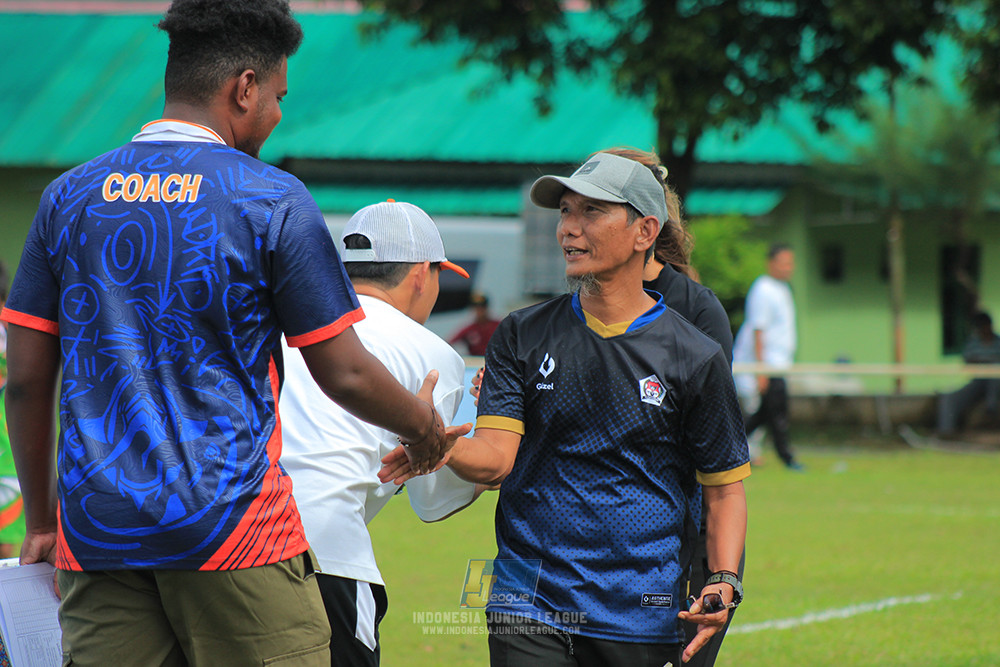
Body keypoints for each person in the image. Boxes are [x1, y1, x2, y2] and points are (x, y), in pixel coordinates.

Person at [1, 2, 455, 665]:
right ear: (243, 87)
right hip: (233, 533)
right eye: (277, 96)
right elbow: (345, 371)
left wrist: (43, 518)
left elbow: (29, 377)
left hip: (99, 535)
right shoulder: (270, 199)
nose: (277, 115)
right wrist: (424, 427)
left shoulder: (67, 197)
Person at [382, 151, 750, 666]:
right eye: (565, 213)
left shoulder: (694, 353)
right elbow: (496, 457)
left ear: (645, 231)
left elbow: (724, 491)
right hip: (528, 600)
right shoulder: (522, 335)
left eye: (591, 213)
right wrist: (441, 443)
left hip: (639, 609)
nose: (569, 231)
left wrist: (724, 579)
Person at [280, 200, 486, 667]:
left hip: (232, 539)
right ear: (421, 275)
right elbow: (435, 501)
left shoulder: (288, 324)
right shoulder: (432, 354)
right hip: (329, 557)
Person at [733, 243, 803, 471]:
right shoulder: (763, 289)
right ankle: (785, 457)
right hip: (764, 365)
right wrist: (760, 370)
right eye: (783, 262)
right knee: (773, 412)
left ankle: (734, 448)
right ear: (771, 264)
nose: (787, 267)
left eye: (790, 263)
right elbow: (758, 331)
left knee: (764, 414)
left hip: (779, 365)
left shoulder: (783, 289)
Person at [937, 311, 1000, 436]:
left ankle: (990, 410)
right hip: (978, 381)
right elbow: (968, 360)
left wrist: (986, 362)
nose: (983, 330)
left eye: (984, 326)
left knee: (994, 379)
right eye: (980, 327)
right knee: (949, 398)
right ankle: (946, 432)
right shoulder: (973, 343)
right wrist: (988, 361)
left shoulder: (998, 342)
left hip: (996, 381)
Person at [448, 292, 500, 356]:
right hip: (476, 362)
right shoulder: (469, 328)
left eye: (482, 308)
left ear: (486, 308)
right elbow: (449, 343)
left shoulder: (498, 325)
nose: (479, 311)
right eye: (476, 308)